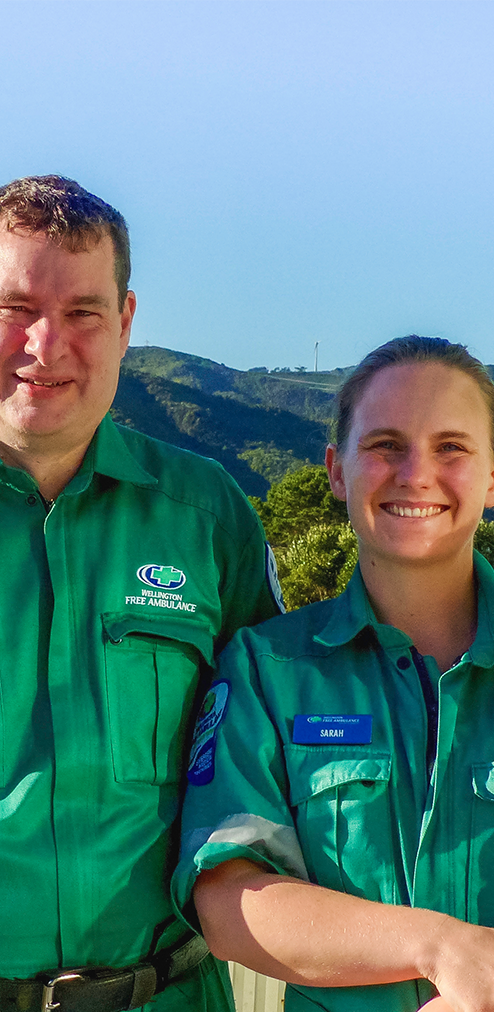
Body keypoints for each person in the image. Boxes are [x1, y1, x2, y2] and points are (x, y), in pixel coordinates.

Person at [0, 175, 281, 1012]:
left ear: (126, 323)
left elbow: (269, 765)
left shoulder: (208, 516)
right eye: (15, 307)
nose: (46, 344)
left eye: (83, 314)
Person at [173, 335, 494, 1012]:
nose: (416, 474)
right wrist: (441, 948)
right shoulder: (268, 669)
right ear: (337, 471)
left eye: (451, 448)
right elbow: (230, 899)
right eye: (385, 446)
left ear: (492, 476)